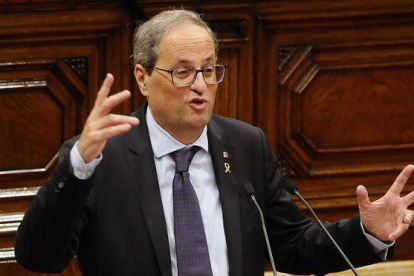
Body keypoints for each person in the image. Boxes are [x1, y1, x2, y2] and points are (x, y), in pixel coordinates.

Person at [15, 9, 414, 276]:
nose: (201, 86)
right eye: (184, 72)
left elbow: (291, 244)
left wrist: (367, 232)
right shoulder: (100, 157)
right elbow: (39, 257)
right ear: (142, 77)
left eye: (209, 70)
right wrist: (79, 167)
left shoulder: (245, 145)